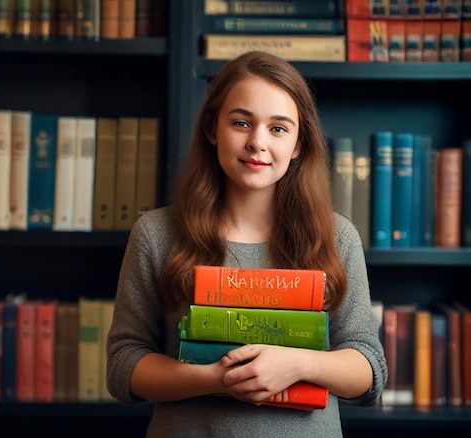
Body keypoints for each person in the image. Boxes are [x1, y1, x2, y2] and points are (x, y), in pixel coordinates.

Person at [106, 50, 387, 438]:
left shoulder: (337, 237)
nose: (257, 142)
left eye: (278, 128)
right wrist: (220, 379)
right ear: (212, 129)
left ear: (299, 144)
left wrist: (298, 365)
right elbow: (124, 364)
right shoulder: (156, 233)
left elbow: (369, 369)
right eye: (241, 122)